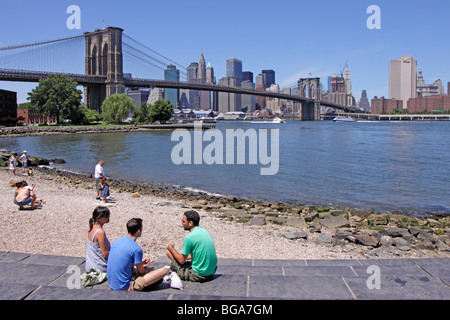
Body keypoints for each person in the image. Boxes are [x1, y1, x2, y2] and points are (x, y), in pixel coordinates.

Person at [107, 218, 169, 291]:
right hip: (124, 287)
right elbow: (141, 272)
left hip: (112, 283)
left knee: (139, 268)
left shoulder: (117, 241)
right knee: (164, 271)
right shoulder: (136, 249)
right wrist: (150, 271)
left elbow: (123, 261)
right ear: (139, 231)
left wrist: (140, 262)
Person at [166, 210, 217, 282]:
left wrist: (171, 248)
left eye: (183, 221)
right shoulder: (204, 231)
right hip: (211, 271)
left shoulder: (189, 238)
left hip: (200, 275)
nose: (182, 223)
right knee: (181, 259)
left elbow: (181, 261)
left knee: (169, 253)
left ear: (190, 223)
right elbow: (197, 253)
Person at [85, 206, 111, 272]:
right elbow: (105, 254)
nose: (109, 217)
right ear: (99, 218)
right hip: (100, 268)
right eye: (106, 216)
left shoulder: (91, 227)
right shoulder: (100, 232)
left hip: (90, 265)